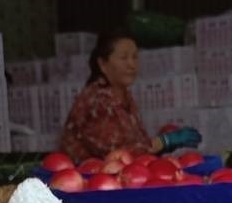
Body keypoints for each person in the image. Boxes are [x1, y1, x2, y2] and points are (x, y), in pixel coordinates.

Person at [60, 29, 202, 162]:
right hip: (92, 177)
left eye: (135, 57)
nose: (131, 65)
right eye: (124, 58)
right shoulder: (98, 101)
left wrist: (162, 145)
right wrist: (163, 142)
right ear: (103, 64)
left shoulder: (125, 96)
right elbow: (115, 155)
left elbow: (138, 145)